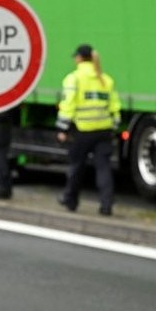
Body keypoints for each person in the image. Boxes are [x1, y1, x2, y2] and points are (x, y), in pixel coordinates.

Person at [56, 43, 121, 216]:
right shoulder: (106, 80)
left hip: (82, 131)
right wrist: (114, 126)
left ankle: (70, 200)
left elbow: (68, 104)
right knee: (103, 168)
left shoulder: (74, 79)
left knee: (77, 166)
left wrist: (62, 128)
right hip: (103, 131)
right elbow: (114, 106)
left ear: (78, 58)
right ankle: (106, 205)